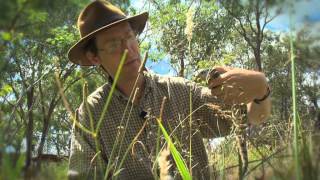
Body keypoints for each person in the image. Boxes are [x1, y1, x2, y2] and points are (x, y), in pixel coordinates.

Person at [67, 1, 271, 179]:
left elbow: (250, 118)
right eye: (113, 45)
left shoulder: (180, 91)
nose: (128, 49)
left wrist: (261, 91)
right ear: (95, 57)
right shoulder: (90, 115)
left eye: (130, 37)